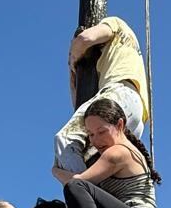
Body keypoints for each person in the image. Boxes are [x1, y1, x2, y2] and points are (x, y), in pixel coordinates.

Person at [55, 14, 150, 173]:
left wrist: (73, 58)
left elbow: (85, 38)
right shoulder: (119, 55)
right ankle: (92, 193)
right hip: (136, 117)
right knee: (95, 164)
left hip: (119, 95)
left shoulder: (116, 24)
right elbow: (80, 108)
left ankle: (81, 194)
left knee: (65, 140)